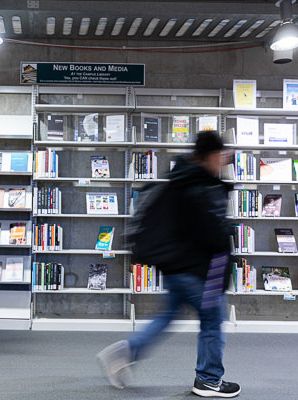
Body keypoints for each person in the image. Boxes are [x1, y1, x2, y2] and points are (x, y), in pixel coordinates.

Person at [97, 131, 240, 398]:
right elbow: (211, 234)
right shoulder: (204, 187)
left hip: (175, 267)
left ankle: (126, 351)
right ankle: (209, 379)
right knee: (212, 320)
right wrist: (228, 231)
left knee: (168, 316)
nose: (224, 160)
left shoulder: (179, 179)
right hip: (199, 271)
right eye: (221, 155)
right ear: (210, 155)